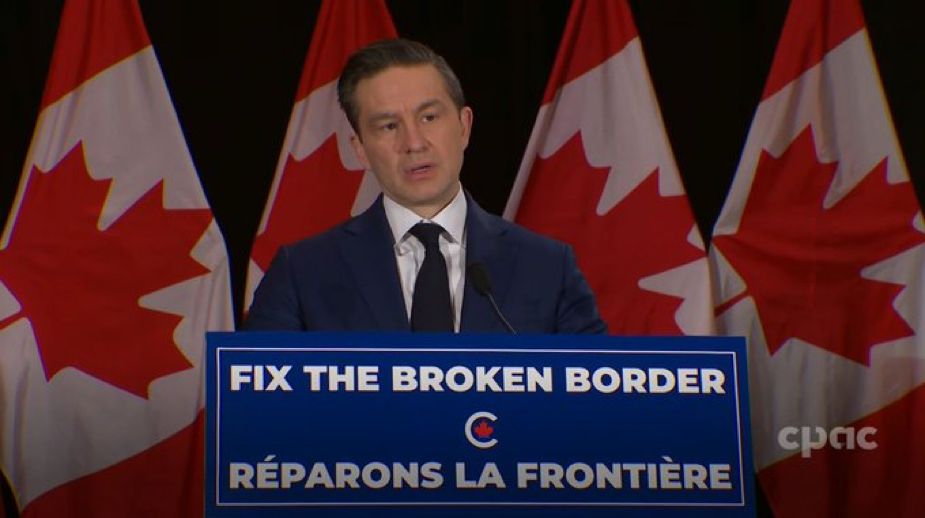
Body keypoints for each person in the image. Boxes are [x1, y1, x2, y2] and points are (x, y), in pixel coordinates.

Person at [245, 38, 606, 334]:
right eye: (388, 126)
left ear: (464, 126)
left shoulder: (546, 267)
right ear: (360, 150)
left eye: (429, 117)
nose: (414, 142)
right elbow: (257, 410)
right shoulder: (304, 272)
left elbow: (595, 405)